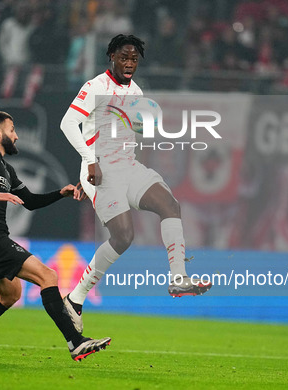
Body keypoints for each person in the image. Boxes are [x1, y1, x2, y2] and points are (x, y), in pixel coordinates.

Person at [59, 34, 212, 332]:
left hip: (126, 167)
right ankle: (75, 299)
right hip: (99, 169)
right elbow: (67, 123)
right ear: (112, 57)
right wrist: (89, 161)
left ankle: (178, 278)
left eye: (134, 59)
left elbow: (131, 135)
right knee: (124, 236)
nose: (129, 63)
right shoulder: (95, 87)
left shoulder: (137, 92)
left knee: (170, 205)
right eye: (124, 57)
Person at [0, 111, 110, 361]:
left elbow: (31, 202)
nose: (17, 135)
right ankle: (75, 342)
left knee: (11, 294)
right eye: (12, 129)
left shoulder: (7, 168)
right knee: (48, 276)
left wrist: (60, 193)